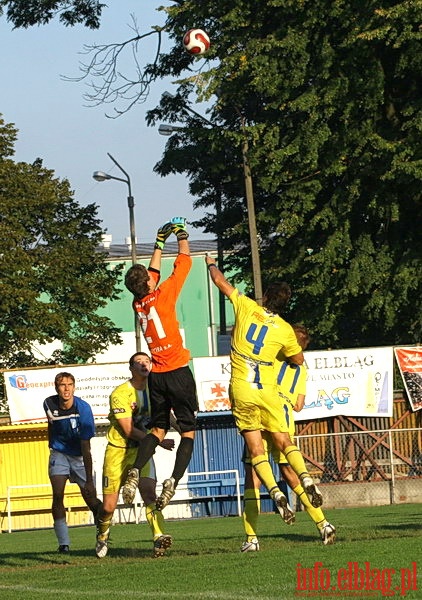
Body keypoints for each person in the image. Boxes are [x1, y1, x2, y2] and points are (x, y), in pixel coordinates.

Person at [205, 255, 322, 525]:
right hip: (268, 391)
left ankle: (275, 492)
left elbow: (220, 282)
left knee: (255, 450)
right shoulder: (284, 330)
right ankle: (305, 476)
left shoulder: (246, 306)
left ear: (266, 296)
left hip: (242, 388)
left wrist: (211, 263)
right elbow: (298, 359)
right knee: (284, 441)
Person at [122, 217, 198, 511]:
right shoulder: (164, 294)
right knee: (188, 430)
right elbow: (184, 262)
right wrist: (181, 235)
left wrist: (157, 242)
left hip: (157, 376)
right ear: (150, 283)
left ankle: (134, 471)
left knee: (157, 430)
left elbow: (150, 274)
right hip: (177, 370)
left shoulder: (138, 303)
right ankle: (174, 481)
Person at [241, 325, 336, 552]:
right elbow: (299, 405)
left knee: (253, 474)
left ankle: (252, 538)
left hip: (263, 409)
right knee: (290, 473)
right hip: (284, 418)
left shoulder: (272, 356)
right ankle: (323, 523)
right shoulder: (301, 369)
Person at [95, 352, 175, 559]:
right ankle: (103, 534)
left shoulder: (156, 390)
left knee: (149, 493)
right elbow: (129, 430)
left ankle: (159, 536)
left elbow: (168, 415)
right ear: (131, 369)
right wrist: (158, 440)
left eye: (147, 361)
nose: (144, 365)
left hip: (143, 450)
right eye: (138, 362)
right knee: (108, 507)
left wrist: (185, 426)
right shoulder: (121, 393)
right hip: (118, 451)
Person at [43, 371, 102, 553]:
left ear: (74, 387)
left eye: (69, 385)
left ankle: (103, 533)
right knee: (58, 495)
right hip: (59, 453)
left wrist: (90, 481)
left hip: (79, 455)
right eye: (62, 385)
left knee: (90, 498)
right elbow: (51, 424)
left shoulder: (83, 409)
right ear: (56, 387)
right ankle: (64, 543)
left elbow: (86, 446)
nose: (66, 388)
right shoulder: (48, 403)